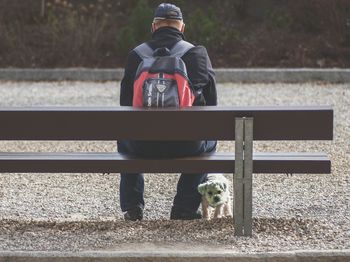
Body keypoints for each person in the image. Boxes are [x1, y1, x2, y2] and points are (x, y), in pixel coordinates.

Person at [118, 3, 217, 221]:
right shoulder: (198, 54)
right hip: (187, 144)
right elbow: (212, 106)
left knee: (124, 136)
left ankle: (132, 207)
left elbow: (125, 104)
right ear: (182, 27)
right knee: (210, 138)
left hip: (140, 145)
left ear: (154, 27)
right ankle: (184, 207)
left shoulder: (136, 55)